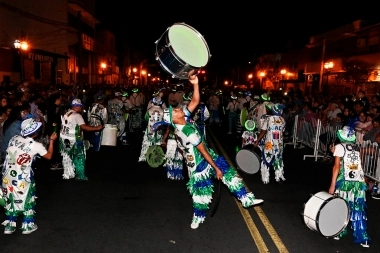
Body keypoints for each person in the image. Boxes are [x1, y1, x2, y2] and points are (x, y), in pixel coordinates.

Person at [160, 70, 263, 229]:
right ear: (174, 119)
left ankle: (246, 200)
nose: (179, 109)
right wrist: (215, 168)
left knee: (231, 176)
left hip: (206, 156)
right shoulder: (188, 132)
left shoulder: (183, 120)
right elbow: (202, 151)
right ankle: (197, 217)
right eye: (175, 111)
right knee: (201, 195)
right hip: (198, 165)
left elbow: (195, 101)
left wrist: (195, 84)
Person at [1, 118, 57, 234]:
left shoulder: (14, 138)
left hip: (7, 177)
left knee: (11, 198)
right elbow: (49, 156)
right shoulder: (35, 145)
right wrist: (52, 141)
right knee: (27, 198)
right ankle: (27, 225)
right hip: (22, 177)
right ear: (36, 133)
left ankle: (10, 226)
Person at [329, 126, 370, 247]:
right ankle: (363, 237)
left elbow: (336, 167)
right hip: (358, 181)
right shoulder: (357, 147)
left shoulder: (339, 147)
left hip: (345, 181)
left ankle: (339, 231)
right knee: (358, 208)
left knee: (342, 204)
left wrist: (332, 184)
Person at [60, 99, 103, 180]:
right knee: (79, 156)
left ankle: (68, 174)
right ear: (77, 107)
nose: (81, 108)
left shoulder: (67, 113)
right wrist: (97, 128)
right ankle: (80, 175)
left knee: (67, 157)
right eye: (80, 106)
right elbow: (84, 127)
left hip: (65, 139)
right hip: (74, 139)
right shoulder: (77, 115)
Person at [254, 103, 286, 184]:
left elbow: (263, 132)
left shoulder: (268, 119)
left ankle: (265, 178)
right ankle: (278, 177)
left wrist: (257, 141)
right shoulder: (283, 120)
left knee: (266, 159)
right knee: (278, 159)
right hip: (279, 144)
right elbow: (282, 133)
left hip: (269, 143)